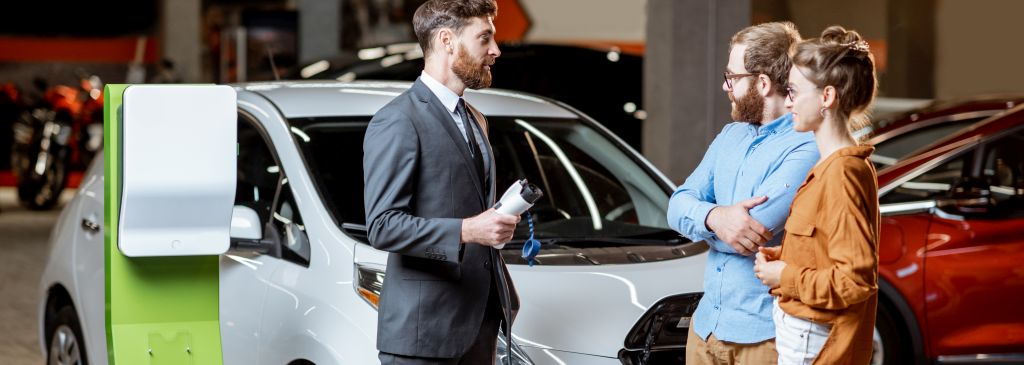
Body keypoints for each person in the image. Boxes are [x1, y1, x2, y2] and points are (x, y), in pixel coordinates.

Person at [362, 0, 521, 364]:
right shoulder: (398, 121)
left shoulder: (476, 119)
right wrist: (468, 230)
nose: (495, 51)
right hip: (424, 336)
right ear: (447, 41)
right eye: (485, 39)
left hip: (479, 323)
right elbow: (383, 226)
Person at [667, 21, 819, 364]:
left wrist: (701, 223)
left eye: (732, 77)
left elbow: (749, 234)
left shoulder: (806, 147)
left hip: (763, 337)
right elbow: (676, 205)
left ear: (763, 83)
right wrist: (715, 216)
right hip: (706, 329)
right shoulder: (730, 135)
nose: (725, 86)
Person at [753, 25, 881, 365]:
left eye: (794, 91)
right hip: (805, 334)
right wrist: (787, 255)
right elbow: (827, 244)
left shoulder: (841, 173)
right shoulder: (834, 166)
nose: (789, 101)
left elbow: (854, 281)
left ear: (826, 97)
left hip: (813, 340)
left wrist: (785, 276)